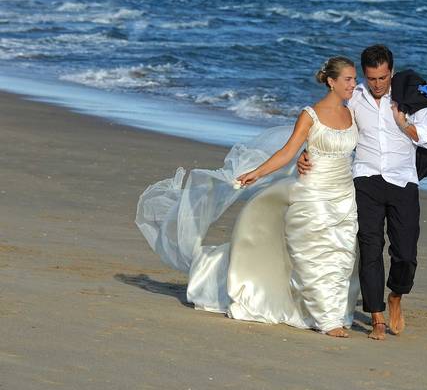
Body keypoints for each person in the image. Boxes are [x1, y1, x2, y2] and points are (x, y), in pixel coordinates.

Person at [135, 57, 361, 337]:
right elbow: (287, 152)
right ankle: (328, 321)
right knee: (312, 253)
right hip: (312, 194)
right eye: (349, 79)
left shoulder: (353, 112)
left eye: (355, 79)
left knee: (342, 254)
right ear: (331, 81)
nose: (354, 84)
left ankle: (334, 312)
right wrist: (258, 172)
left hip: (344, 195)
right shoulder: (310, 115)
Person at [298, 44, 427, 340]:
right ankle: (376, 316)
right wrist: (306, 151)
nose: (377, 85)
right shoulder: (355, 98)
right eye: (372, 78)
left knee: (406, 253)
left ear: (392, 72)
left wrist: (405, 126)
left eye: (383, 78)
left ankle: (396, 296)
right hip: (366, 180)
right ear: (364, 74)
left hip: (403, 181)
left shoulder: (411, 96)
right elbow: (329, 124)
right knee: (370, 248)